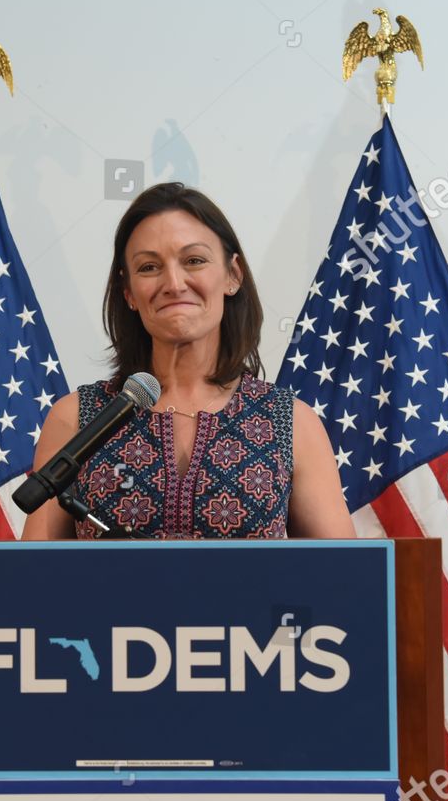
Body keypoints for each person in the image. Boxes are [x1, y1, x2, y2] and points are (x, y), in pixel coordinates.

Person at [21, 183, 354, 540]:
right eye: (149, 267)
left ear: (232, 275)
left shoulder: (290, 421)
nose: (174, 283)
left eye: (194, 260)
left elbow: (344, 578)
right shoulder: (76, 418)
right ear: (129, 292)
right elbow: (31, 577)